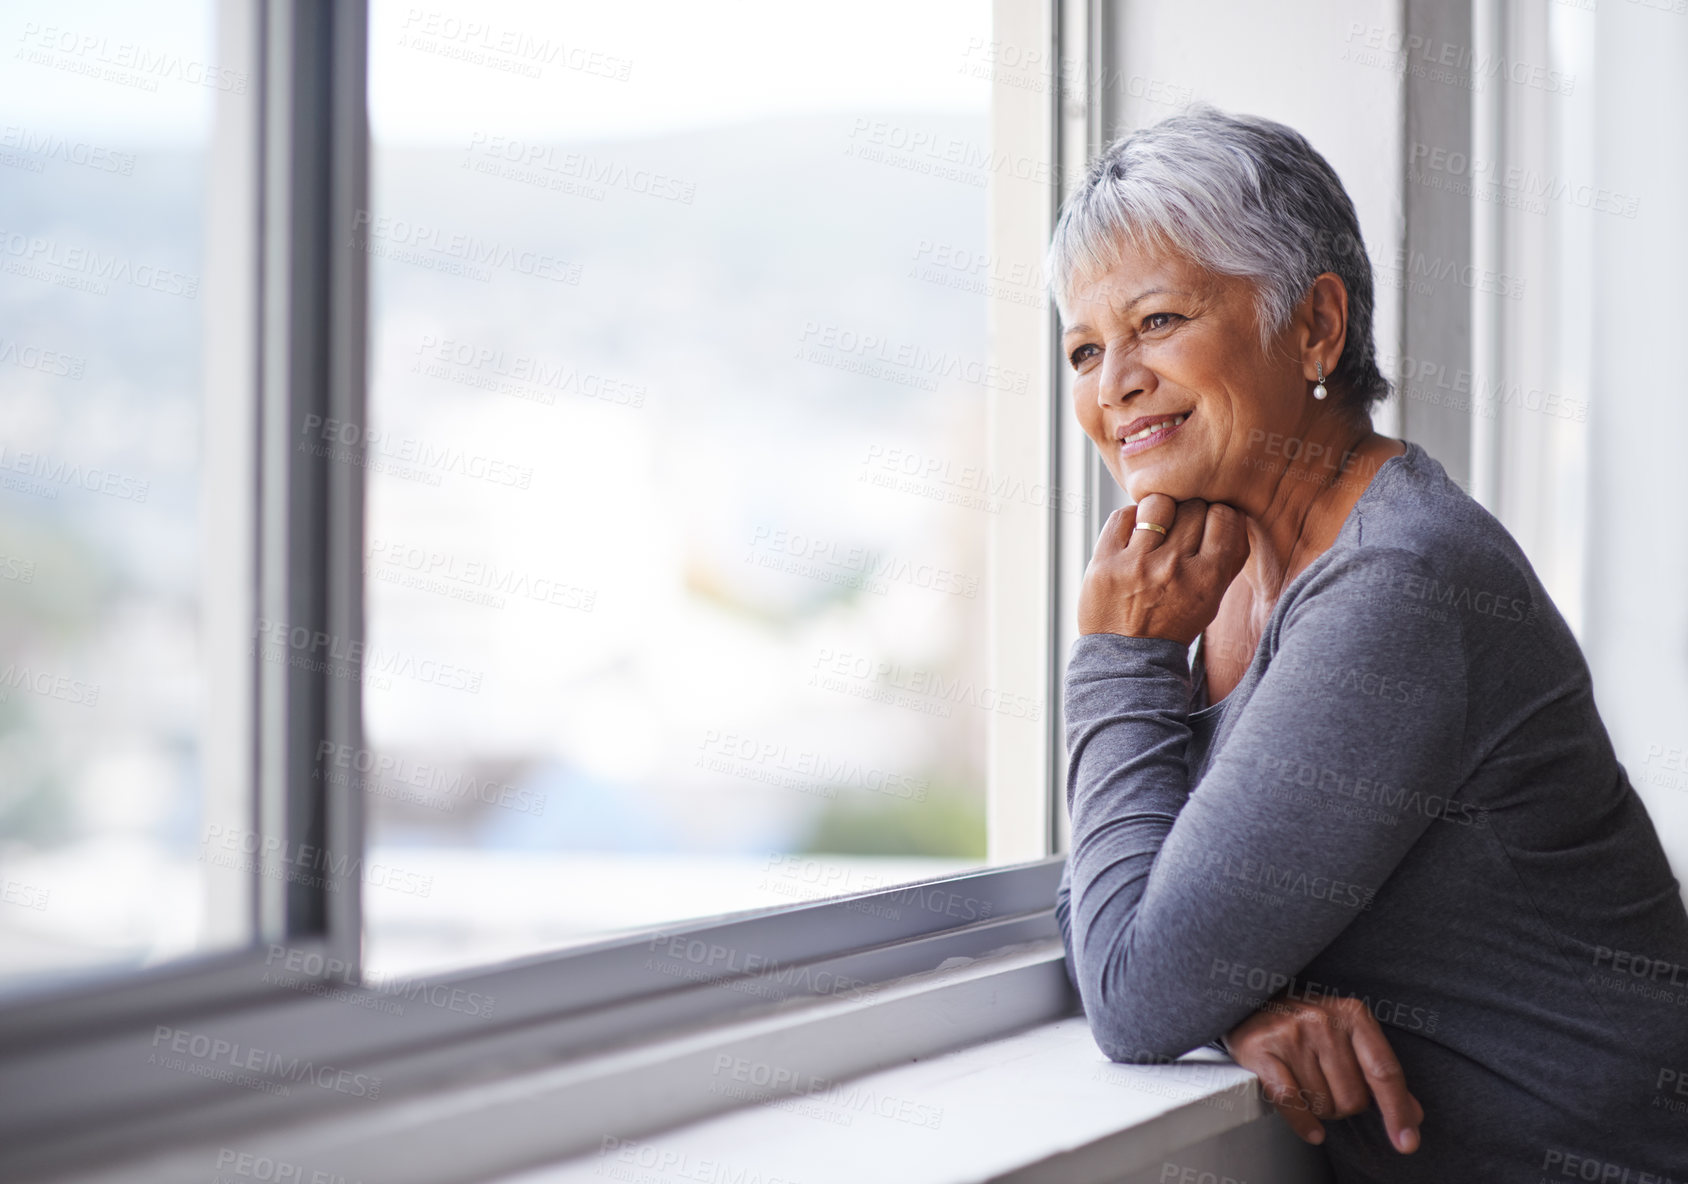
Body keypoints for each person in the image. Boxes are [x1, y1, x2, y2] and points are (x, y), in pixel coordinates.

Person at [1048, 106, 1688, 1181]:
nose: (1111, 381)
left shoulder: (1400, 584)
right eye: (1082, 346)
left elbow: (1131, 987)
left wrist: (1118, 654)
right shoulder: (1212, 580)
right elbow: (1107, 901)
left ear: (1314, 328)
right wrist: (1238, 990)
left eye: (1156, 320)